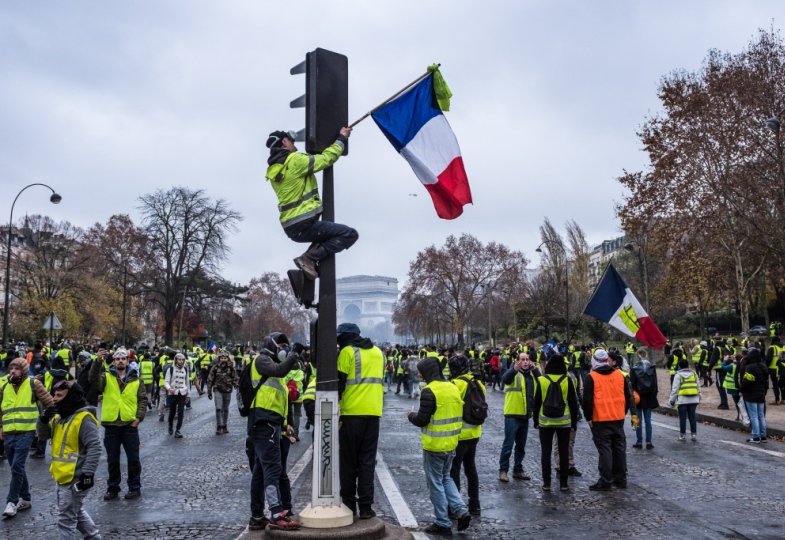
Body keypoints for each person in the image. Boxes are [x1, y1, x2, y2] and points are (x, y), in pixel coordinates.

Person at [265, 128, 358, 280]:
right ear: (284, 142)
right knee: (349, 234)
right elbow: (326, 159)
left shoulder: (274, 171)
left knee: (325, 239)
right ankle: (308, 259)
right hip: (304, 222)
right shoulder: (294, 160)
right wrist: (341, 138)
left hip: (291, 227)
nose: (294, 144)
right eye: (291, 140)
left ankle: (309, 259)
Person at [407, 356, 471, 537]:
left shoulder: (429, 391)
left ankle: (442, 522)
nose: (419, 374)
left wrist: (411, 415)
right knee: (446, 478)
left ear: (427, 372)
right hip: (452, 443)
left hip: (434, 445)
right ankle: (460, 510)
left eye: (421, 371)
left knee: (435, 483)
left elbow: (422, 420)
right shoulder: (452, 387)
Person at [247, 332, 301, 531]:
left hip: (271, 423)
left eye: (285, 346)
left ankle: (256, 516)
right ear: (271, 345)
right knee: (272, 468)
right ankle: (277, 513)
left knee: (261, 472)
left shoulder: (274, 367)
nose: (283, 349)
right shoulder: (263, 360)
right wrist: (293, 354)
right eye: (280, 346)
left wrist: (286, 423)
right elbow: (279, 370)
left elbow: (281, 397)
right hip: (263, 423)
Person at [336, 323, 385, 519]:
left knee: (348, 462)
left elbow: (338, 385)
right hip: (373, 413)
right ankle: (366, 507)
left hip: (351, 414)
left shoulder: (347, 352)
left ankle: (348, 505)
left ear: (346, 337)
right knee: (367, 462)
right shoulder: (379, 352)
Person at [44, 380, 102, 540]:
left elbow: (95, 447)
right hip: (62, 476)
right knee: (75, 511)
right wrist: (42, 421)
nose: (54, 398)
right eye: (54, 394)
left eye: (59, 395)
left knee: (66, 519)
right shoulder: (59, 417)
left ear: (71, 398)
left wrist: (87, 474)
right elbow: (43, 436)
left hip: (75, 477)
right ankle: (93, 537)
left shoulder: (84, 418)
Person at [89, 346, 147, 501]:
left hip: (129, 425)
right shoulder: (106, 376)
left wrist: (138, 418)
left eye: (123, 358)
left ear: (128, 361)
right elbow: (93, 380)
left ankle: (134, 488)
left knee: (133, 459)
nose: (120, 361)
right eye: (117, 359)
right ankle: (113, 488)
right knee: (112, 460)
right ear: (113, 361)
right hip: (111, 425)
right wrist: (97, 361)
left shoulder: (136, 379)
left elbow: (143, 399)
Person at [1, 357, 56, 517]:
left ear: (24, 370)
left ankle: (11, 502)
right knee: (15, 467)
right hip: (9, 432)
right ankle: (26, 498)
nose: (12, 371)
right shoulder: (4, 385)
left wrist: (44, 423)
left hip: (27, 432)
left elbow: (50, 404)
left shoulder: (34, 384)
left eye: (16, 368)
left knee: (17, 466)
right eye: (11, 368)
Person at [582, 348, 636, 491]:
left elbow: (586, 401)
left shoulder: (591, 377)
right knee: (619, 449)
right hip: (618, 418)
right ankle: (621, 478)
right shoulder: (620, 375)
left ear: (594, 360)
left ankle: (606, 480)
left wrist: (588, 418)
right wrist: (622, 413)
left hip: (600, 419)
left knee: (605, 450)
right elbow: (627, 397)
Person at [533, 354, 579, 492]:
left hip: (545, 422)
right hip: (564, 422)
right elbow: (573, 403)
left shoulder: (541, 380)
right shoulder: (567, 380)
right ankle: (564, 483)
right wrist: (574, 423)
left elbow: (536, 403)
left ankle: (546, 483)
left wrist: (535, 421)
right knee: (564, 452)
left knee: (545, 453)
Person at [448, 355, 484, 515]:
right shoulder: (479, 383)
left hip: (459, 435)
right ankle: (475, 503)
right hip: (475, 432)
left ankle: (455, 506)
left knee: (453, 470)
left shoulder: (456, 384)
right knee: (471, 468)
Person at [497, 351, 538, 482]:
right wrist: (514, 369)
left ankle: (518, 470)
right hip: (512, 414)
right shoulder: (514, 373)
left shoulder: (532, 375)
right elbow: (504, 379)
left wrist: (536, 370)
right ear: (517, 361)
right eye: (522, 359)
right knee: (508, 445)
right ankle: (503, 470)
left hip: (525, 416)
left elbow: (542, 383)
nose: (525, 362)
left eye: (527, 359)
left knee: (521, 446)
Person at [629, 348, 659, 449]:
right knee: (648, 421)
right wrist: (654, 395)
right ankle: (649, 442)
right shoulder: (652, 367)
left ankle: (639, 441)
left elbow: (631, 385)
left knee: (637, 420)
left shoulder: (634, 368)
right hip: (649, 396)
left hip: (638, 397)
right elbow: (655, 384)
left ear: (638, 355)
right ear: (646, 355)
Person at [739, 347, 769, 443]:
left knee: (754, 416)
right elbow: (766, 383)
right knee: (761, 416)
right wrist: (764, 392)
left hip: (750, 394)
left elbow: (746, 382)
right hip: (761, 394)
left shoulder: (750, 367)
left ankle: (756, 436)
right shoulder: (763, 366)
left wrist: (741, 390)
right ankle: (763, 436)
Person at [668, 357, 701, 442]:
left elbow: (674, 390)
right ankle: (694, 435)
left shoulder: (678, 375)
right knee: (692, 417)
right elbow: (698, 386)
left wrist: (671, 401)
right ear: (688, 366)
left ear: (679, 366)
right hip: (694, 399)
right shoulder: (694, 374)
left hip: (682, 400)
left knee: (682, 418)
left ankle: (682, 435)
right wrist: (699, 397)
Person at [207, 350, 239, 435]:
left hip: (228, 390)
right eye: (222, 358)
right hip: (218, 389)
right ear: (219, 358)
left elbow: (235, 378)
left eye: (225, 358)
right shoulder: (215, 367)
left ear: (227, 359)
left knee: (226, 409)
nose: (223, 359)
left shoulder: (231, 368)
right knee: (218, 408)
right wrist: (209, 391)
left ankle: (224, 425)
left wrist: (236, 385)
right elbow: (210, 379)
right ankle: (219, 426)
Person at [164, 353, 190, 438]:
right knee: (172, 412)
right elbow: (166, 382)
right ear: (176, 360)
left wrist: (188, 395)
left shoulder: (185, 369)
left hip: (182, 393)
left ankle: (178, 430)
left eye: (182, 360)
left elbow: (187, 382)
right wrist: (169, 389)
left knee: (181, 412)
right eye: (179, 359)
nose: (181, 361)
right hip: (172, 393)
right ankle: (170, 425)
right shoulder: (170, 369)